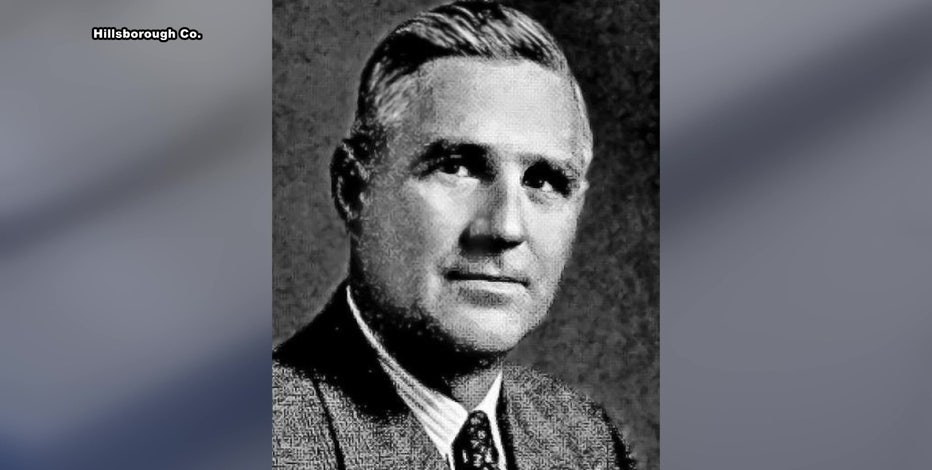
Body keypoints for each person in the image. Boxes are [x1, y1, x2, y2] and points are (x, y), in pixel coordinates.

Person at [273, 2, 637, 469]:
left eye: (543, 181)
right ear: (354, 189)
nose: (505, 228)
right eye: (457, 167)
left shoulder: (587, 442)